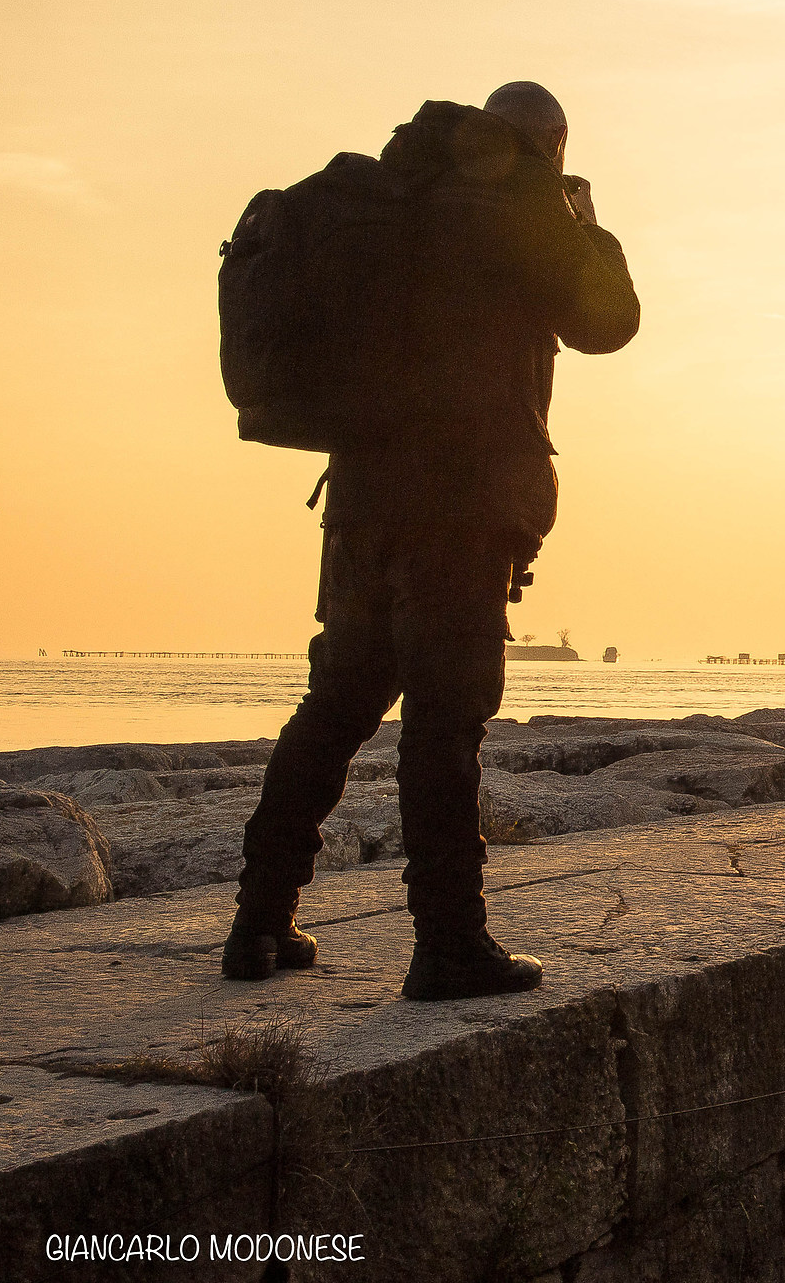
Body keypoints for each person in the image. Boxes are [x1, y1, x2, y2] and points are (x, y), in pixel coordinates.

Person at [225, 82, 640, 1000]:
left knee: (335, 705)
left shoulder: (396, 203)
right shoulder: (517, 204)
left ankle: (256, 923)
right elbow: (609, 321)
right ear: (553, 143)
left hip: (365, 501)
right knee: (445, 723)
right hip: (458, 508)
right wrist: (587, 223)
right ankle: (449, 942)